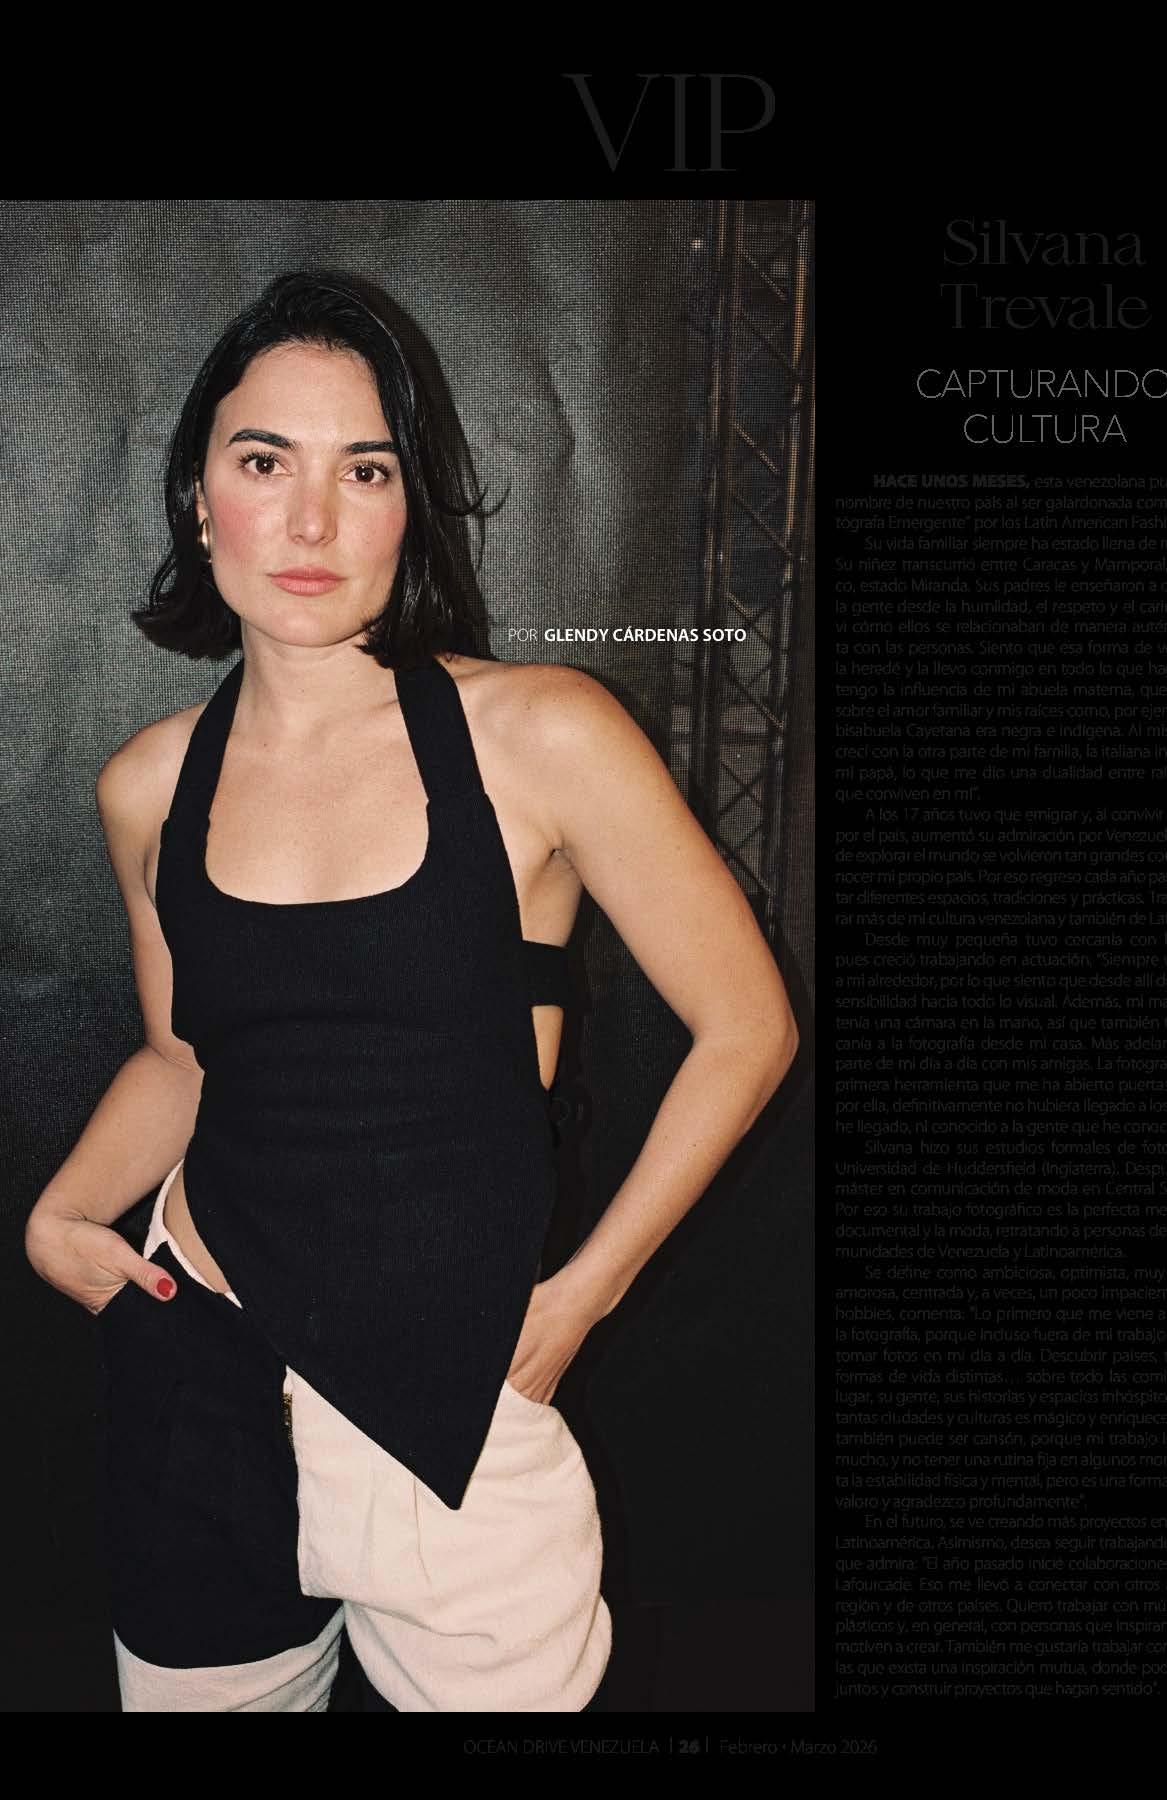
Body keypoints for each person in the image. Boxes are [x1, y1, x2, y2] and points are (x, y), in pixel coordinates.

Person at [24, 269, 800, 1714]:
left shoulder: (542, 733)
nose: (312, 520)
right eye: (266, 462)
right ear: (200, 498)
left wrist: (579, 1302)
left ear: (409, 506)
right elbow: (184, 1059)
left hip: (449, 1397)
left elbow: (748, 1027)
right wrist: (61, 1213)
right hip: (196, 1362)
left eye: (365, 470)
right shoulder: (146, 785)